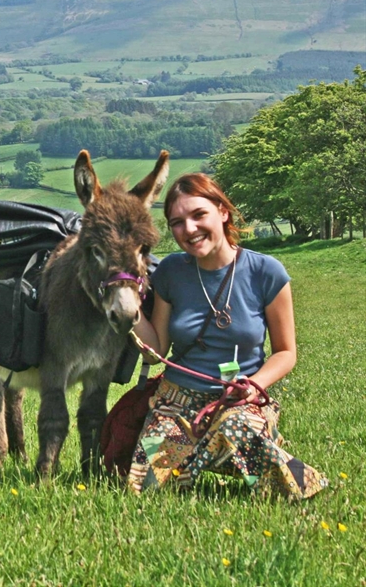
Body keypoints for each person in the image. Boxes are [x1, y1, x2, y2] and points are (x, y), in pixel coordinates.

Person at [130, 173, 326, 500]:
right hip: (177, 401)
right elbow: (156, 352)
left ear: (222, 211)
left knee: (234, 429)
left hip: (237, 399)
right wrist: (128, 305)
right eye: (177, 222)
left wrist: (255, 384)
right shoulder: (170, 272)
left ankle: (285, 473)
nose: (189, 230)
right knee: (146, 486)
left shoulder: (267, 272)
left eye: (198, 215)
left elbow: (285, 352)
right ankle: (236, 457)